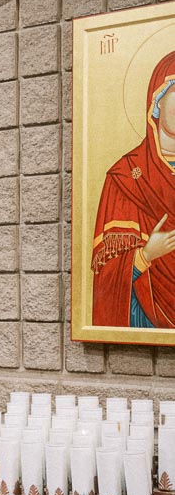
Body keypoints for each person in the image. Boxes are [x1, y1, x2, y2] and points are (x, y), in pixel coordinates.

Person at [93, 51, 175, 327]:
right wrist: (145, 255)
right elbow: (104, 276)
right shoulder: (125, 177)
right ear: (157, 101)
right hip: (147, 315)